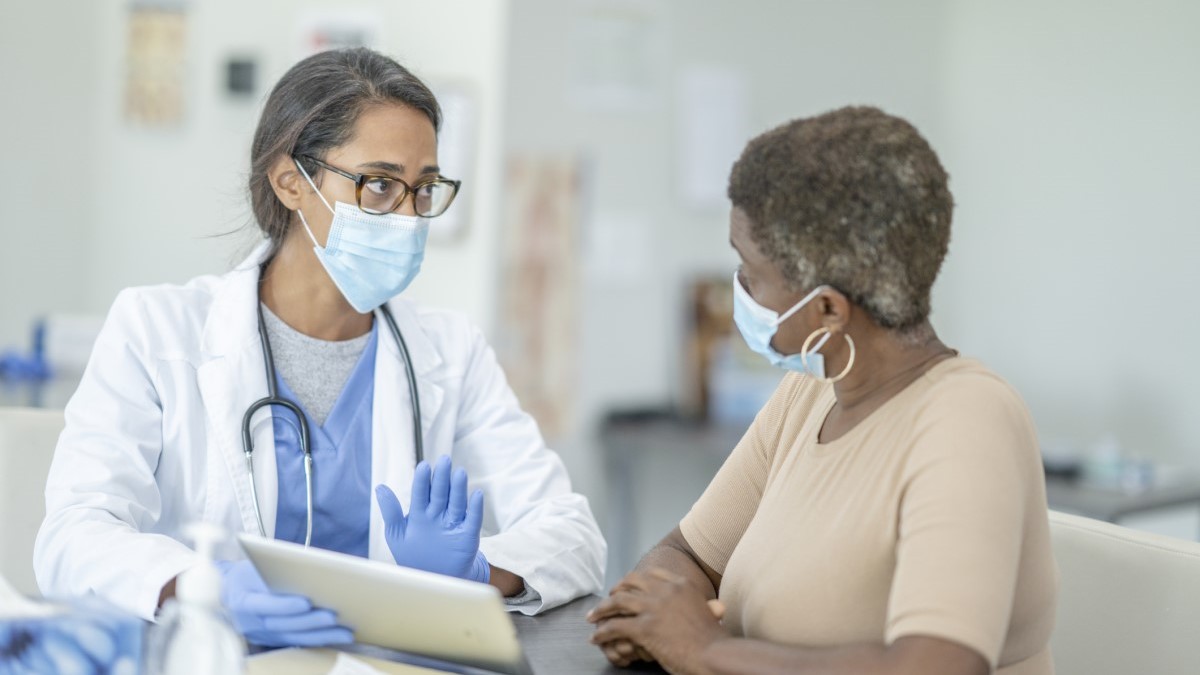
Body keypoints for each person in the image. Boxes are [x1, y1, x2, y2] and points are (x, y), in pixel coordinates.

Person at [34, 48, 605, 647]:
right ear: (290, 182)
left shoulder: (450, 351)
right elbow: (73, 534)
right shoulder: (158, 330)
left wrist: (476, 574)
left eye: (425, 188)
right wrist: (203, 586)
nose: (408, 215)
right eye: (380, 185)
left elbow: (573, 534)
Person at [588, 106, 1057, 674]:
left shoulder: (968, 420)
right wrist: (651, 621)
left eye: (750, 271)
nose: (739, 289)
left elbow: (935, 665)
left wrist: (702, 649)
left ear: (828, 309)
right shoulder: (810, 392)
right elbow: (686, 553)